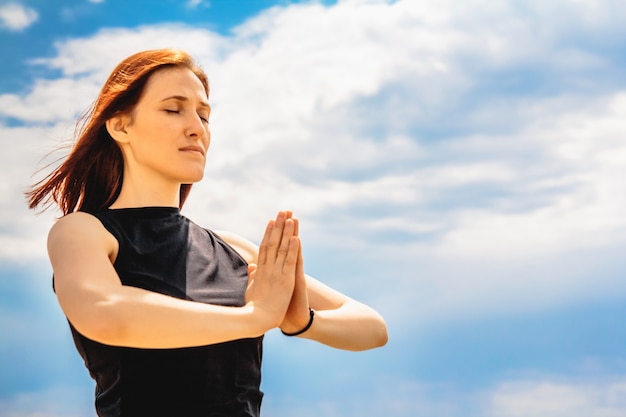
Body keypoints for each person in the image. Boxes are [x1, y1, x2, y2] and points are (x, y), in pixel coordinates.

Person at [27, 48, 388, 417]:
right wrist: (255, 316)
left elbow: (373, 328)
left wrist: (303, 321)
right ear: (121, 126)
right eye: (173, 109)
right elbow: (104, 313)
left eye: (204, 115)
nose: (197, 127)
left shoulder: (232, 248)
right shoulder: (85, 231)